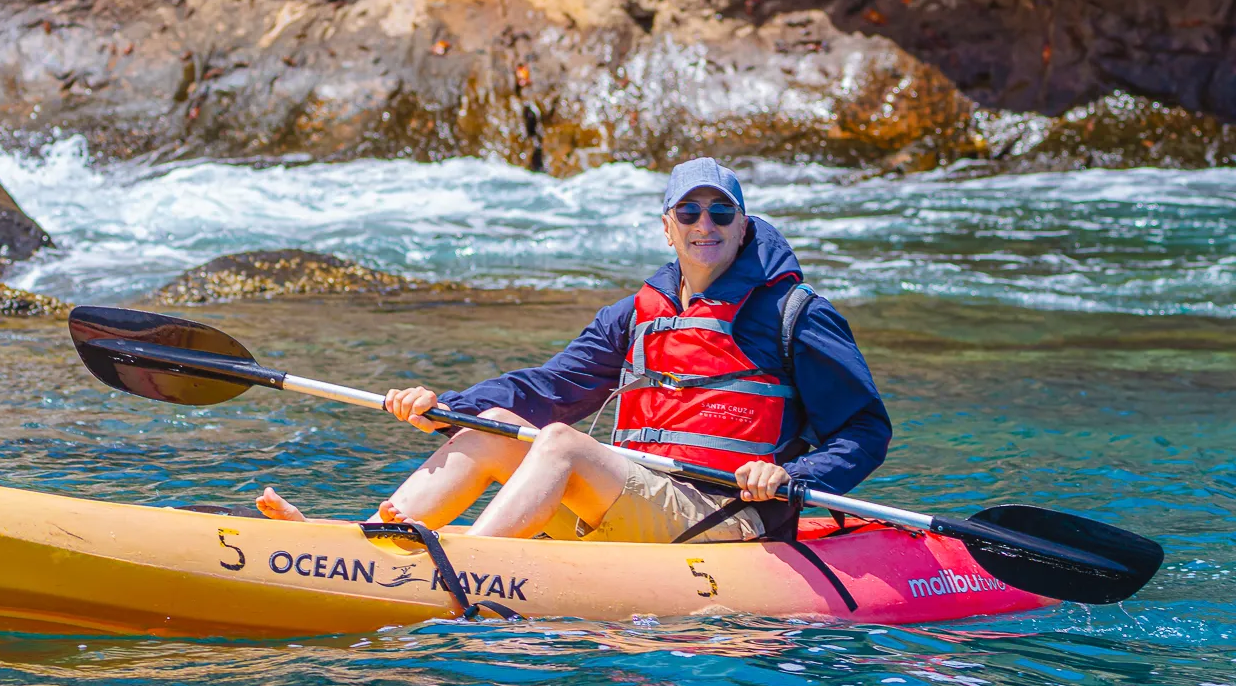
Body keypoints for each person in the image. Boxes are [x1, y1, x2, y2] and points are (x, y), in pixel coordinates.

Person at [255, 157, 891, 544]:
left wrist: (792, 478)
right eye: (689, 212)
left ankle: (471, 570)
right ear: (666, 227)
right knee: (495, 426)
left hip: (726, 512)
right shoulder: (635, 315)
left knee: (561, 442)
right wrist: (448, 405)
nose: (706, 225)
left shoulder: (793, 315)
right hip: (640, 497)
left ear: (744, 226)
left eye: (721, 214)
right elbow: (548, 387)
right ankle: (376, 545)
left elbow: (864, 430)